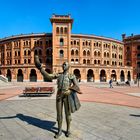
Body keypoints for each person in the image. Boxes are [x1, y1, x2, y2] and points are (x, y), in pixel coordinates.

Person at [34, 55, 82, 138]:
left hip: (67, 96)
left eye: (65, 64)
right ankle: (59, 131)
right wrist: (40, 68)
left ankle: (68, 130)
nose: (63, 65)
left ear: (69, 66)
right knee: (59, 114)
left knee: (68, 114)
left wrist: (69, 91)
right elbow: (48, 76)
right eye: (63, 64)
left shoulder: (71, 76)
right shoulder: (59, 75)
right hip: (59, 96)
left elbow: (77, 86)